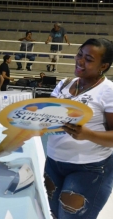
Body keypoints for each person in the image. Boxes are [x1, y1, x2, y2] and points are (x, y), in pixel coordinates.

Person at [44, 38, 113, 218]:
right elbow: (48, 116)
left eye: (89, 59)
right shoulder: (64, 84)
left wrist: (88, 135)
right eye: (80, 54)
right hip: (54, 162)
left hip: (89, 167)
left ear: (103, 66)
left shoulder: (108, 91)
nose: (80, 61)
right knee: (53, 214)